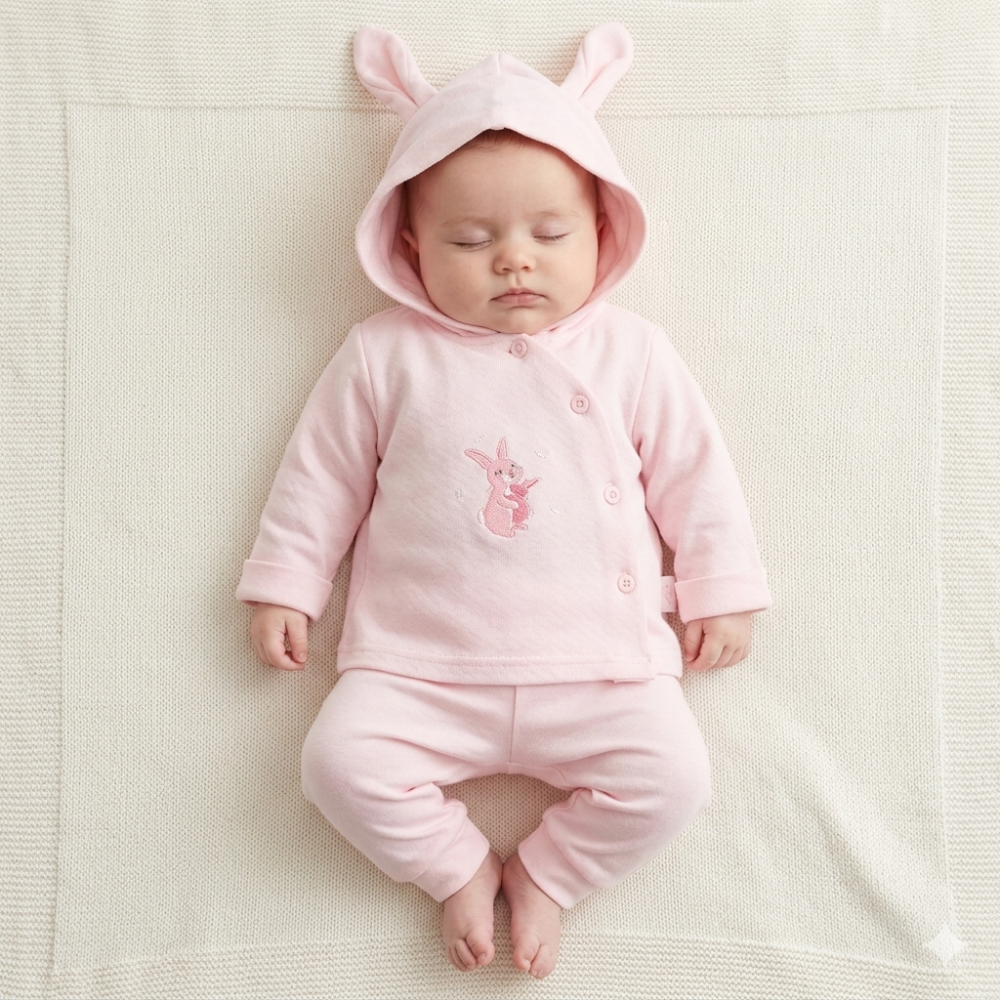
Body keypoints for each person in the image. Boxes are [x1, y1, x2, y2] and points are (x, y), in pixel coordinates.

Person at [236, 22, 772, 980]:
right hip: (420, 667)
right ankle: (457, 867)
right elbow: (321, 475)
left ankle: (548, 875)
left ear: (602, 230)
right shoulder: (385, 354)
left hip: (600, 669)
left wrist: (719, 585)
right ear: (409, 248)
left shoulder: (631, 352)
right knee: (336, 766)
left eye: (550, 234)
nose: (514, 261)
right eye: (471, 240)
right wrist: (287, 581)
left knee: (674, 780)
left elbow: (695, 473)